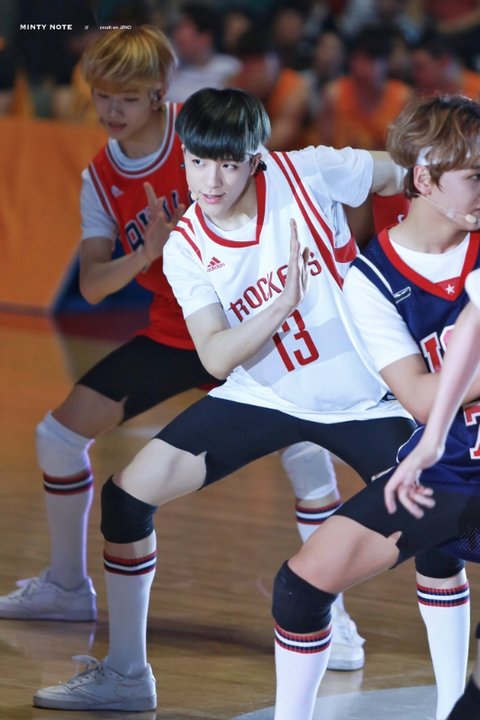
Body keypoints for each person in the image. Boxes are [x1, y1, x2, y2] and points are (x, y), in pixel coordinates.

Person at [32, 86, 457, 715]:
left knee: (440, 530)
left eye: (229, 165)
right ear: (184, 156)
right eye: (198, 162)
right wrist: (280, 307)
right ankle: (127, 672)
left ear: (255, 158)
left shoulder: (309, 172)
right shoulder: (186, 246)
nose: (211, 180)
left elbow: (411, 173)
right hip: (262, 393)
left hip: (365, 398)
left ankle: (452, 699)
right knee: (126, 499)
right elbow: (213, 357)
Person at [0, 25, 364, 671]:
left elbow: (277, 179)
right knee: (57, 436)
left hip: (250, 329)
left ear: (160, 94)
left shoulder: (201, 134)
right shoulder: (101, 176)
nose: (111, 110)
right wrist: (144, 252)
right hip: (176, 334)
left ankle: (333, 620)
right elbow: (92, 285)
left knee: (309, 459)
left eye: (127, 98)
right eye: (102, 96)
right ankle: (66, 584)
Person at [267, 93, 480, 720]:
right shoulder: (370, 278)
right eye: (475, 176)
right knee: (301, 584)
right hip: (446, 469)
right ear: (425, 178)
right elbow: (419, 398)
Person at [383, 270, 480, 720]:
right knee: (432, 532)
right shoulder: (376, 275)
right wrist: (434, 437)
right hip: (449, 443)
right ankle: (450, 703)